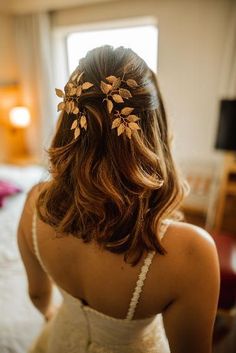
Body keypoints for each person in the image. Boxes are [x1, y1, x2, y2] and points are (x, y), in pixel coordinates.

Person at [17, 45, 220, 353]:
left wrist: (53, 316)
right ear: (155, 128)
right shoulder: (192, 253)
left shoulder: (35, 203)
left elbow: (38, 297)